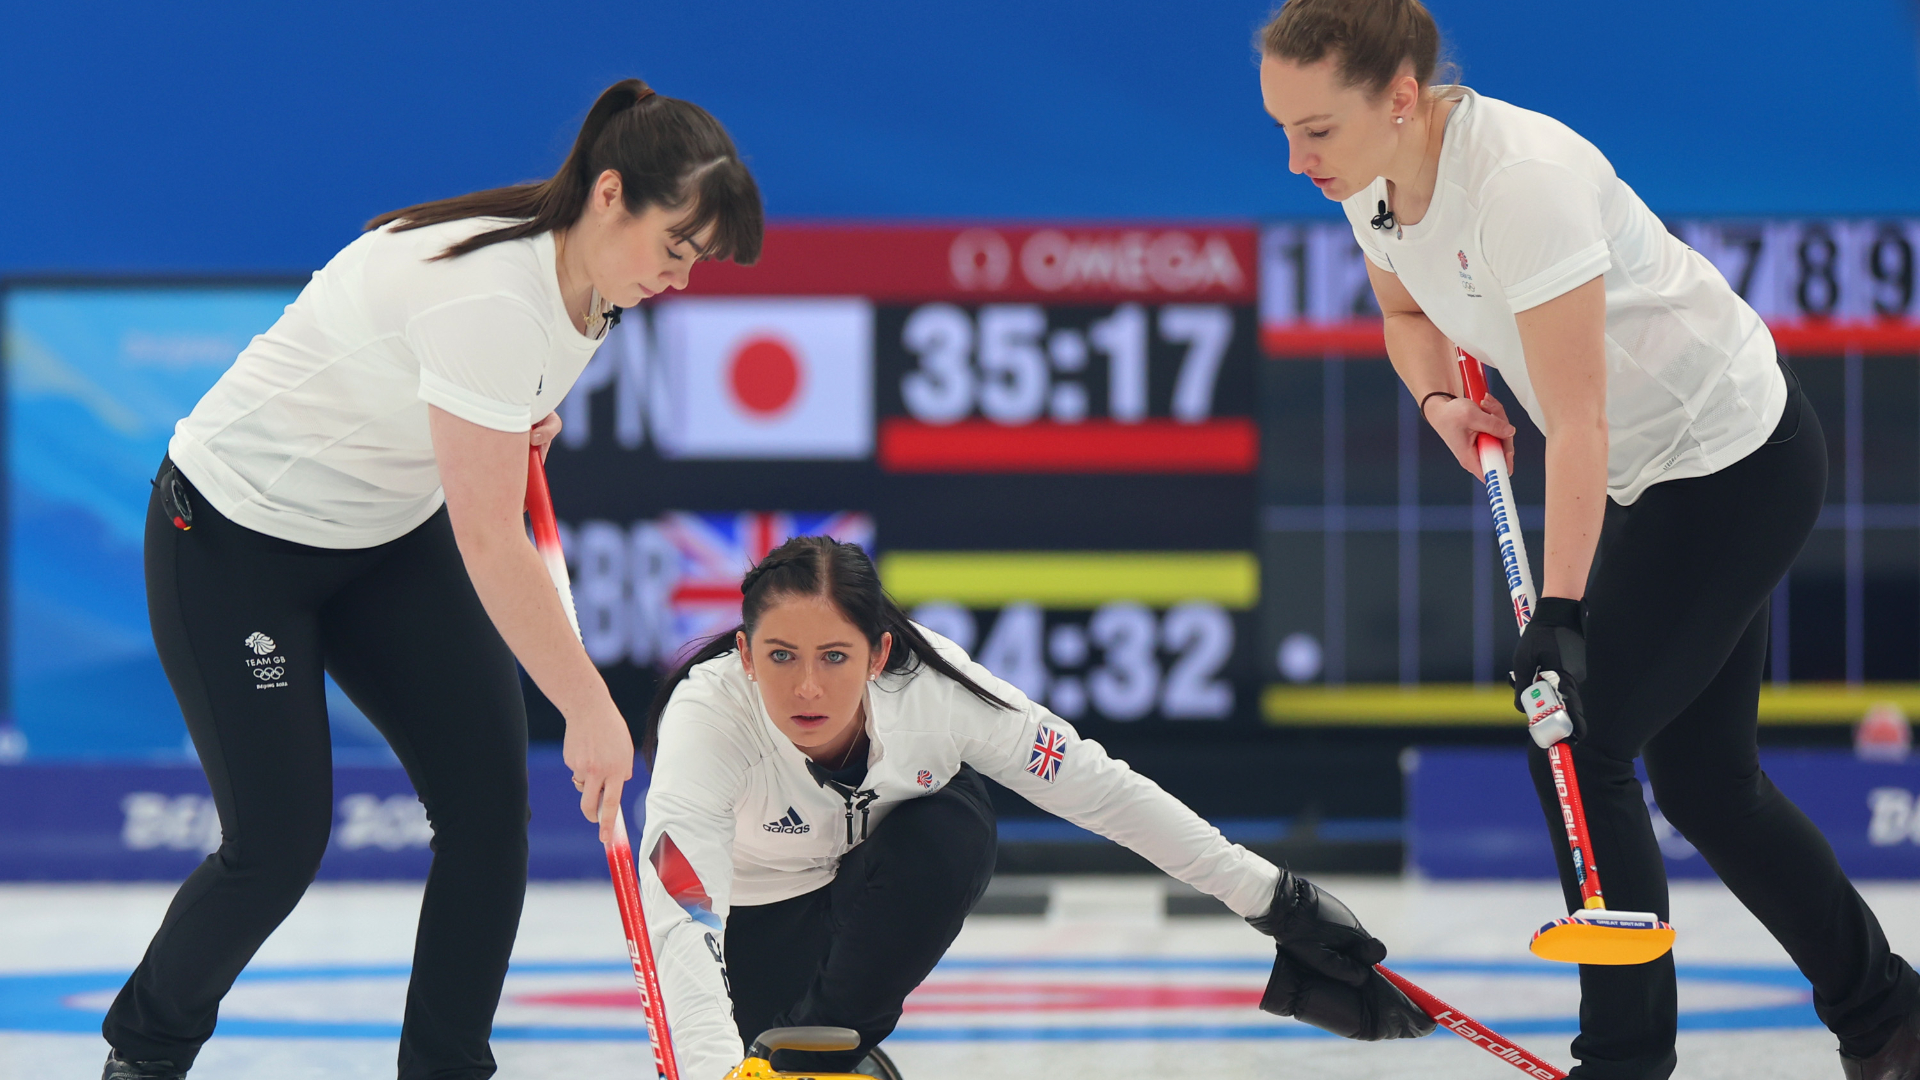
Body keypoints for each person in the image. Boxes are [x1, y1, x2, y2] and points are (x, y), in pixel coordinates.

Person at [1255, 2, 1920, 1078]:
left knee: (1577, 736)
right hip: (1646, 477)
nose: (1296, 159)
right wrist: (1440, 403)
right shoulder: (1370, 185)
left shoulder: (1521, 183)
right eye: (1283, 129)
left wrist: (1559, 615)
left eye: (1316, 129)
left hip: (1732, 461)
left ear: (1400, 97)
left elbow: (1579, 423)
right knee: (1707, 785)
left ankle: (1625, 1062)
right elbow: (1407, 317)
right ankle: (1889, 1016)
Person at [100, 79, 763, 1080]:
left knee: (489, 817)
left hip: (382, 536)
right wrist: (588, 705)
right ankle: (144, 1057)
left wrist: (514, 412)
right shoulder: (494, 292)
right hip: (235, 543)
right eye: (676, 246)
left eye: (696, 261)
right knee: (277, 843)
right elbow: (491, 542)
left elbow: (475, 404)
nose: (679, 277)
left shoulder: (593, 281)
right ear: (611, 194)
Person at [636, 535, 1433, 1080]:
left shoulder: (938, 692)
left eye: (834, 656)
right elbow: (683, 912)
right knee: (732, 1053)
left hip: (875, 886)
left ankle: (822, 1061)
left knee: (951, 827)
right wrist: (714, 1071)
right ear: (746, 657)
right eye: (780, 657)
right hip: (757, 916)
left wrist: (1275, 901)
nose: (807, 687)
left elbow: (1101, 790)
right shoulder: (708, 720)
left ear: (879, 654)